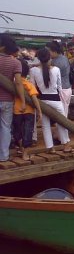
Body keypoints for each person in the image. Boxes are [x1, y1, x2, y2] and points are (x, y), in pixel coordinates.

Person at [29, 48, 72, 153]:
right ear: (49, 57)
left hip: (42, 100)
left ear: (38, 58)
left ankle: (50, 148)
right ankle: (66, 146)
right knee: (62, 123)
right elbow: (59, 87)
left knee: (45, 125)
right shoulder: (56, 69)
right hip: (56, 100)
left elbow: (32, 87)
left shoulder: (33, 70)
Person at [0, 34, 25, 162]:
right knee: (5, 128)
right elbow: (19, 83)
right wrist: (23, 100)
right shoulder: (16, 62)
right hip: (7, 100)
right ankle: (3, 156)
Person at [13, 59, 42, 161]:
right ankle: (25, 154)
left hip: (17, 110)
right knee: (28, 132)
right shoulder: (28, 84)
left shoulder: (13, 83)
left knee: (17, 131)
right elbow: (34, 98)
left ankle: (21, 148)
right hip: (29, 112)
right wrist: (39, 111)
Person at [47, 41, 72, 116]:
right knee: (63, 111)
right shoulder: (62, 58)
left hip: (62, 89)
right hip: (66, 88)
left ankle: (64, 127)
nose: (47, 54)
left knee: (62, 114)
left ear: (54, 51)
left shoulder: (58, 62)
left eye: (48, 51)